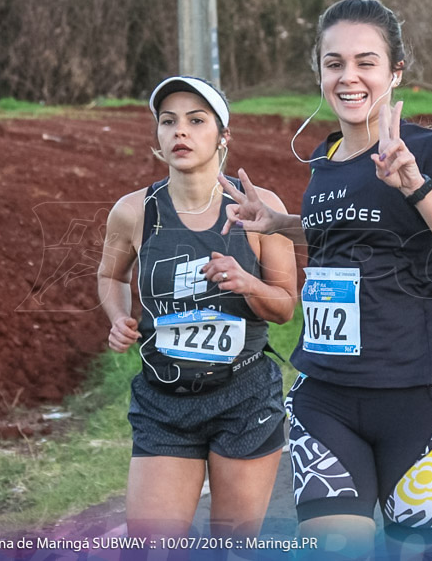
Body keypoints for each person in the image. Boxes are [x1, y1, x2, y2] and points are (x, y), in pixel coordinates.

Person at [221, 0, 432, 555]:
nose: (349, 77)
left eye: (365, 62)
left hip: (414, 395)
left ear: (395, 71)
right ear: (319, 72)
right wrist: (282, 223)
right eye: (334, 63)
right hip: (323, 393)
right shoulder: (326, 160)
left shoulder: (427, 150)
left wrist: (416, 186)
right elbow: (351, 232)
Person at [96, 76, 298, 541]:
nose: (180, 132)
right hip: (163, 401)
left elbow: (285, 307)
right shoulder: (133, 212)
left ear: (222, 137)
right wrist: (119, 317)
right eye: (168, 122)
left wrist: (246, 282)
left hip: (244, 397)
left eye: (196, 121)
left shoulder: (260, 208)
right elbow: (110, 275)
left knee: (234, 546)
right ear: (158, 139)